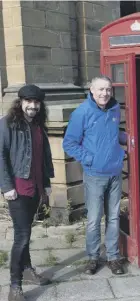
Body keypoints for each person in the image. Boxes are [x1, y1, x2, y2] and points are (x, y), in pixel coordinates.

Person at [63, 76, 127, 276]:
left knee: (114, 217)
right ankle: (92, 258)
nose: (105, 93)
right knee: (94, 218)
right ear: (91, 90)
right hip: (94, 175)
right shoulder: (82, 112)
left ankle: (113, 257)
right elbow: (69, 143)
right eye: (100, 89)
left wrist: (128, 139)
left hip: (115, 173)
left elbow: (112, 134)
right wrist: (89, 160)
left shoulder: (114, 109)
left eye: (108, 89)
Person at [0, 84, 54, 301]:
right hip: (18, 190)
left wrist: (47, 182)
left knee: (27, 232)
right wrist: (6, 187)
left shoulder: (39, 125)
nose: (33, 106)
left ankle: (28, 270)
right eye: (28, 102)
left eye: (36, 102)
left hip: (36, 188)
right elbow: (1, 156)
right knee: (21, 237)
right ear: (20, 102)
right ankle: (15, 286)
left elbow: (44, 156)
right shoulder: (8, 124)